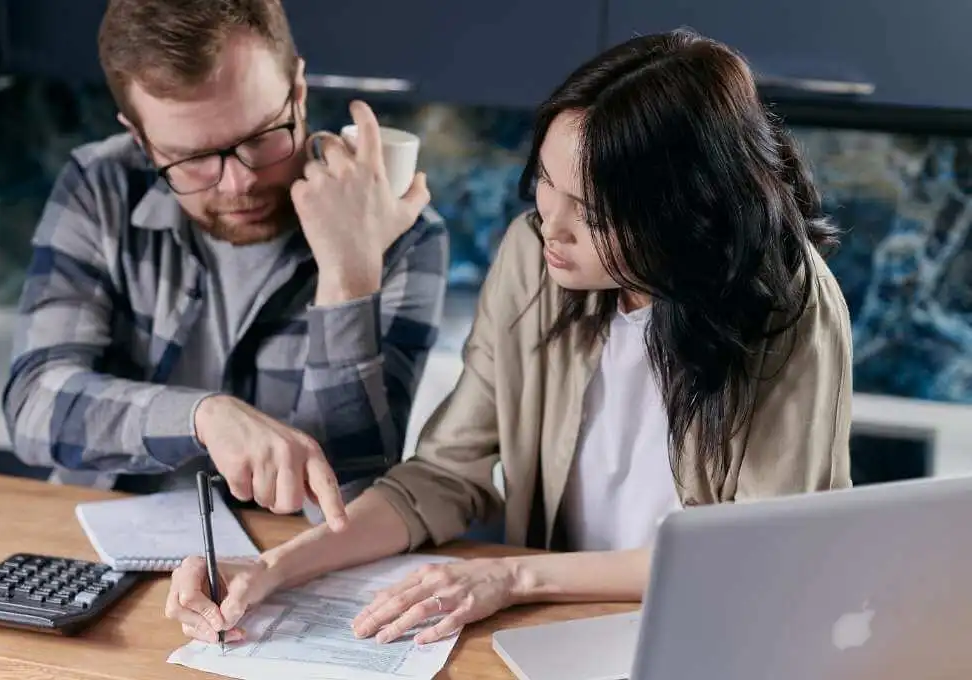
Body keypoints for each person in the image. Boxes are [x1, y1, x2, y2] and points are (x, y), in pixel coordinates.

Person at [165, 28, 854, 645]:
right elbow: (441, 476)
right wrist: (275, 567)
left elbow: (756, 555)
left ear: (682, 214)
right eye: (546, 186)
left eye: (590, 212)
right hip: (553, 633)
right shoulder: (533, 259)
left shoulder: (791, 306)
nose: (549, 226)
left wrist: (515, 579)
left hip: (709, 636)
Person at [1, 0, 449, 528]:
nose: (240, 184)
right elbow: (34, 405)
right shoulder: (101, 186)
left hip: (287, 567)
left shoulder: (403, 233)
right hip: (106, 540)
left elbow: (354, 502)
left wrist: (348, 277)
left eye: (261, 138)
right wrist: (203, 418)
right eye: (191, 159)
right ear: (141, 138)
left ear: (298, 90)